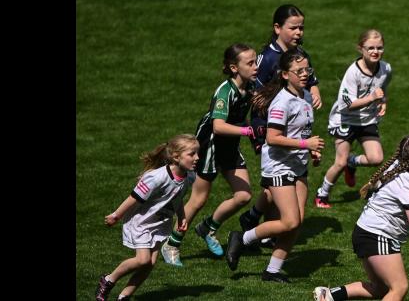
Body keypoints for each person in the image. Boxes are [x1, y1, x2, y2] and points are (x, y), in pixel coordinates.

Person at [312, 135, 409, 301]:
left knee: (381, 289)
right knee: (399, 288)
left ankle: (329, 295)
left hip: (365, 231)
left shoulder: (394, 167)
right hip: (377, 235)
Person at [225, 48, 325, 283]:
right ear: (284, 74)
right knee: (289, 220)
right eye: (298, 71)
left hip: (297, 166)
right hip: (278, 166)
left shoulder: (305, 97)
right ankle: (243, 238)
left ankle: (272, 271)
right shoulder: (282, 102)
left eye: (307, 70)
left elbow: (302, 131)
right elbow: (273, 138)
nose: (304, 74)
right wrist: (304, 143)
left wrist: (311, 151)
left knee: (296, 223)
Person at [160, 43, 259, 267]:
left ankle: (208, 228)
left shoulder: (250, 87)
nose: (255, 67)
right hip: (210, 147)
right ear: (234, 68)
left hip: (230, 147)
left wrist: (252, 135)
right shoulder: (225, 91)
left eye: (256, 62)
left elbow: (241, 117)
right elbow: (218, 127)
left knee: (243, 196)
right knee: (199, 199)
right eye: (250, 63)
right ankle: (172, 244)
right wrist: (249, 131)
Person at [239, 4, 323, 245]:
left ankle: (259, 222)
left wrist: (314, 90)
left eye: (301, 28)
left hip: (292, 125)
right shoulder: (267, 58)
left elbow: (311, 78)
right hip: (267, 125)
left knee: (277, 183)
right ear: (277, 28)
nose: (298, 32)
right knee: (275, 180)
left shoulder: (299, 53)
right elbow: (256, 93)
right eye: (293, 28)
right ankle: (264, 230)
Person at [95, 134, 200, 301]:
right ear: (176, 156)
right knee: (143, 260)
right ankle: (108, 280)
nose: (197, 158)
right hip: (141, 222)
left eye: (197, 153)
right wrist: (116, 215)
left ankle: (124, 296)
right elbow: (134, 197)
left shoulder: (190, 176)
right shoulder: (157, 177)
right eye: (192, 154)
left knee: (150, 264)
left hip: (160, 223)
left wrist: (181, 218)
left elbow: (178, 198)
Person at [314, 29, 392, 208]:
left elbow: (383, 87)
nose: (375, 52)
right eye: (370, 48)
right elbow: (346, 104)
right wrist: (372, 98)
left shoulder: (386, 68)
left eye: (379, 48)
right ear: (360, 49)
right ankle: (322, 194)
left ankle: (352, 162)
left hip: (367, 120)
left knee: (376, 158)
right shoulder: (353, 73)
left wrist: (383, 101)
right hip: (345, 120)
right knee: (339, 162)